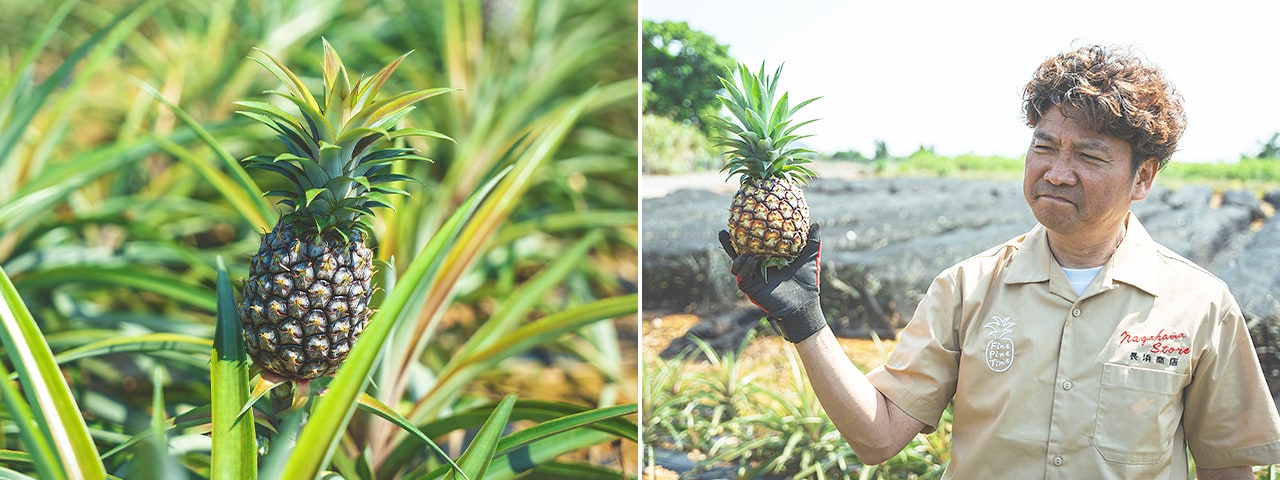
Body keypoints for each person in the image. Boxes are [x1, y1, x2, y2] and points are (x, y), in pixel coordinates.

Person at [719, 44, 1280, 479]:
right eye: (1044, 146)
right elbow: (879, 437)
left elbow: (1227, 465)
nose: (1057, 171)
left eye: (1089, 155)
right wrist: (804, 320)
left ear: (1144, 177)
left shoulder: (1201, 306)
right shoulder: (966, 288)